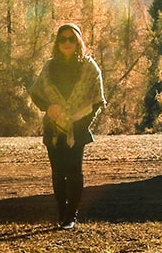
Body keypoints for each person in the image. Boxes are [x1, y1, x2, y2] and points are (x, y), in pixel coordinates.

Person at [29, 23, 105, 229]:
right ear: (57, 42)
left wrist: (81, 124)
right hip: (53, 127)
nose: (67, 42)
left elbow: (98, 101)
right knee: (57, 172)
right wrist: (49, 106)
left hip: (78, 129)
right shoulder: (49, 66)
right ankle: (62, 211)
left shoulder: (90, 67)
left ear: (79, 41)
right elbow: (36, 93)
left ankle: (71, 215)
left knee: (74, 171)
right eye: (63, 39)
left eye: (72, 38)